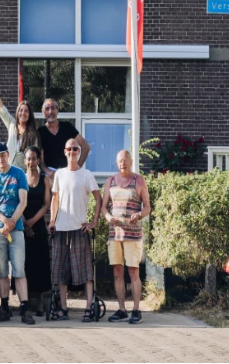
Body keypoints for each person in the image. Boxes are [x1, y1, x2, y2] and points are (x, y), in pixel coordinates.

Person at [0, 141, 35, 324]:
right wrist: (4, 221)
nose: (1, 159)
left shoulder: (19, 173)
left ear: (8, 155)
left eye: (4, 155)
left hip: (17, 229)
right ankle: (4, 308)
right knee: (2, 271)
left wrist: (12, 222)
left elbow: (23, 201)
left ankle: (24, 309)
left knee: (19, 269)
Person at [49, 138, 102, 323]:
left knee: (86, 270)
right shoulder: (59, 174)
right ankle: (63, 308)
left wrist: (94, 221)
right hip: (61, 228)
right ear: (65, 151)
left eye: (75, 149)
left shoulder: (87, 174)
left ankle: (88, 307)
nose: (72, 151)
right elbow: (55, 199)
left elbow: (98, 197)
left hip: (79, 228)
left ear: (80, 152)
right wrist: (52, 220)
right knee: (60, 271)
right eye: (69, 149)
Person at [101, 150, 151, 325]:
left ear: (130, 161)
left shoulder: (138, 180)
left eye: (125, 160)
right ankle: (122, 309)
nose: (122, 163)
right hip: (115, 235)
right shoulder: (110, 181)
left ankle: (136, 310)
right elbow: (104, 208)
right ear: (116, 163)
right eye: (119, 161)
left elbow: (147, 207)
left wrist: (139, 215)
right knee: (117, 272)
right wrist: (108, 218)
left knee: (134, 272)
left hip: (133, 234)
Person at [0, 70, 42, 171]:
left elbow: (34, 155)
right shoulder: (12, 125)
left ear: (29, 114)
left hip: (24, 174)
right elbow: (0, 107)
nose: (23, 113)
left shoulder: (33, 134)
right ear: (17, 112)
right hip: (8, 171)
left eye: (26, 111)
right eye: (21, 110)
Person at [22, 146, 52, 313]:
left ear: (38, 160)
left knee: (40, 263)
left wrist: (32, 222)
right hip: (22, 223)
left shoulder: (44, 179)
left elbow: (47, 204)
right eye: (29, 159)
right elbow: (16, 202)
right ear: (25, 160)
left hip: (38, 224)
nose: (31, 162)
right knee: (24, 263)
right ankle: (25, 301)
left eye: (34, 158)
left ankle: (40, 302)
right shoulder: (20, 178)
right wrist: (25, 223)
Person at [39, 98, 91, 171]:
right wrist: (48, 172)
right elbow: (39, 159)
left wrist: (77, 168)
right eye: (47, 109)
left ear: (57, 110)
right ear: (43, 112)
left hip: (67, 174)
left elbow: (86, 147)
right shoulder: (40, 132)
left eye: (53, 108)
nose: (50, 112)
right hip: (48, 176)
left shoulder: (67, 127)